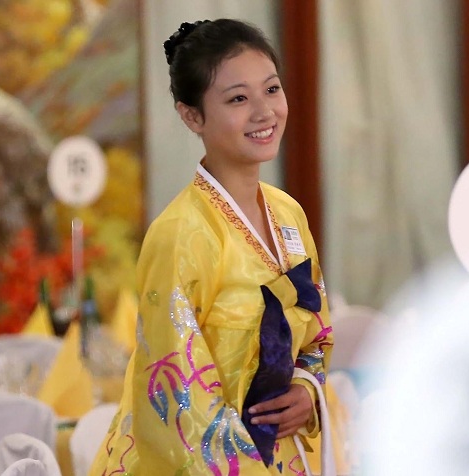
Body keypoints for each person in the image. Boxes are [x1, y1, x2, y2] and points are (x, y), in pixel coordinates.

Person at [90, 19, 333, 475]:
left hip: (282, 457)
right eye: (238, 99)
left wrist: (306, 388)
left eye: (272, 89)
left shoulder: (289, 215)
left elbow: (317, 332)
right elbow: (180, 402)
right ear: (192, 116)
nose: (264, 112)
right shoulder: (179, 235)